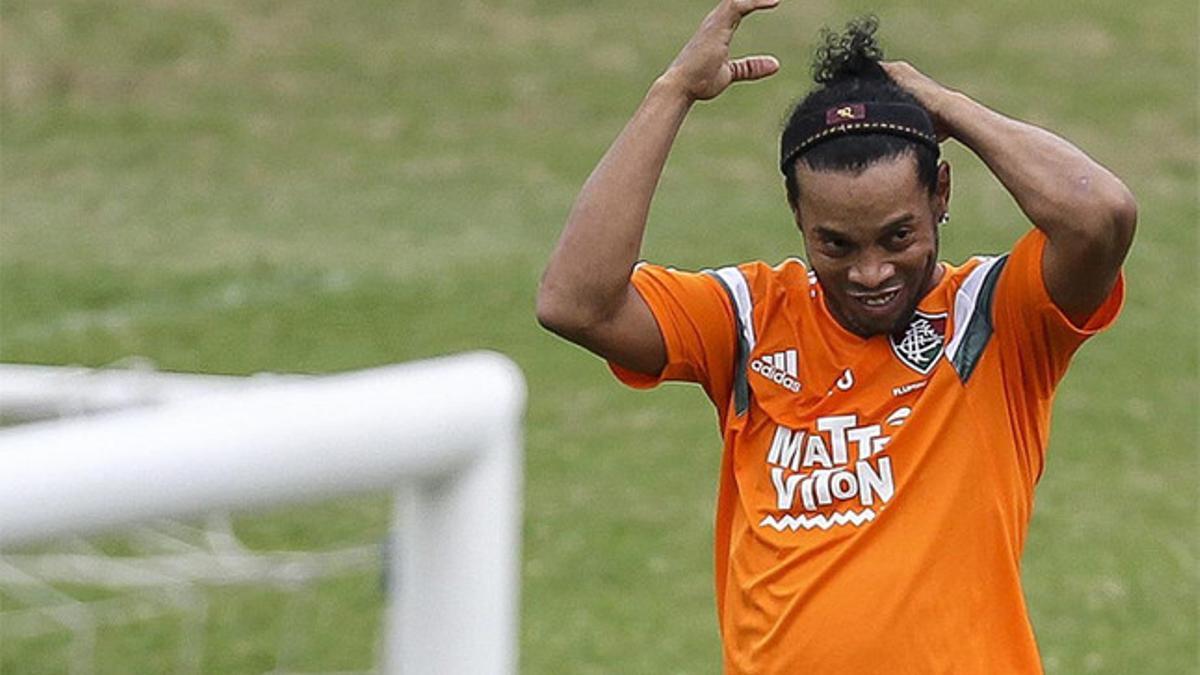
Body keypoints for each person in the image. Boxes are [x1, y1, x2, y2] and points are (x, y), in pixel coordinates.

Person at [536, 0, 1136, 671]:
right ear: (796, 213)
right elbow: (574, 302)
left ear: (940, 192)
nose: (871, 271)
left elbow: (1101, 214)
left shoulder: (996, 318)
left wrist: (948, 106)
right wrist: (671, 91)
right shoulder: (747, 319)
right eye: (836, 244)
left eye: (897, 235)